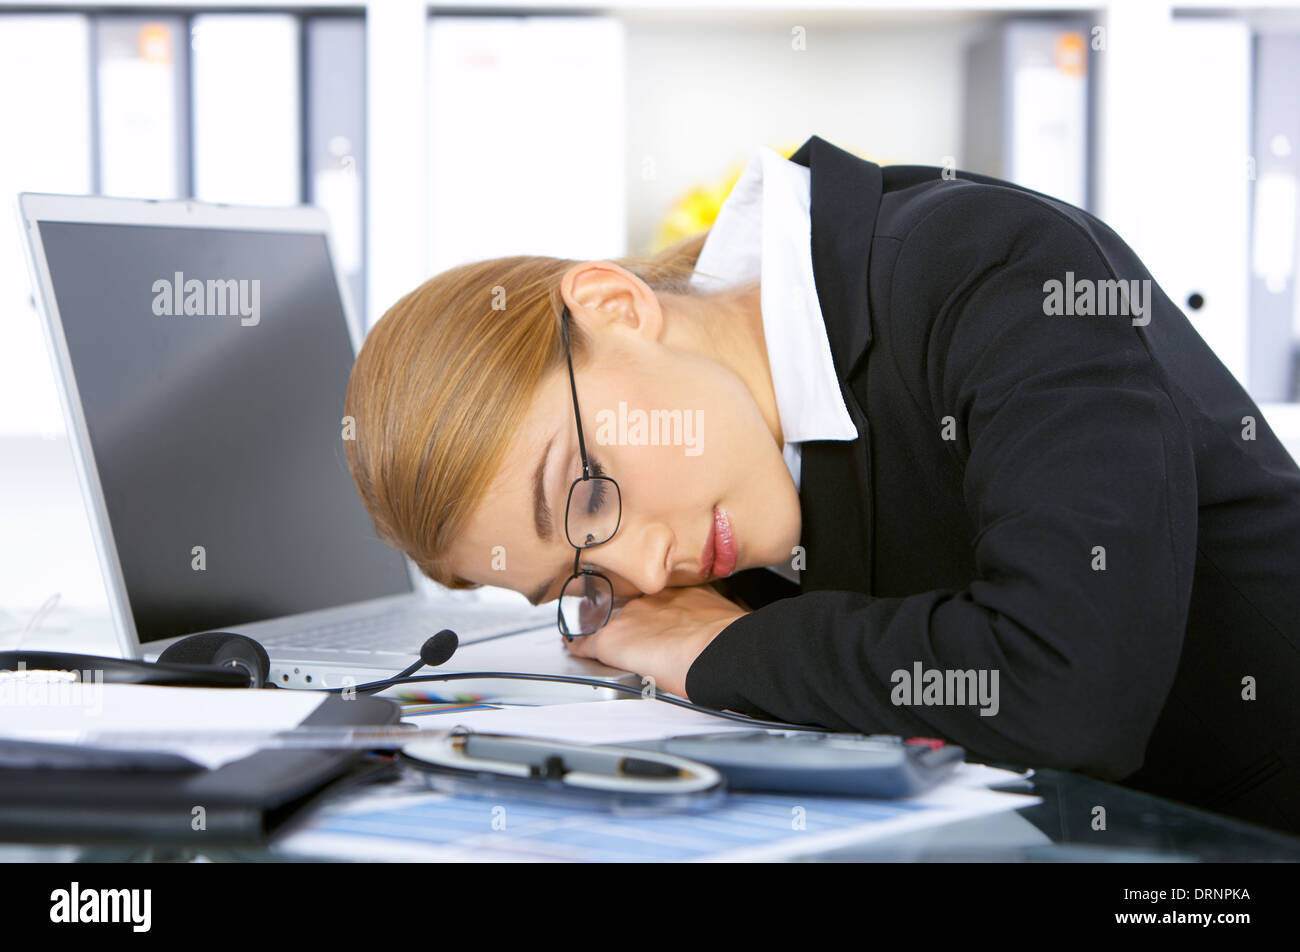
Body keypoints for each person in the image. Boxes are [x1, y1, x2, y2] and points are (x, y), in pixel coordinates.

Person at [343, 134, 1300, 835]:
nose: (649, 564)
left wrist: (727, 648)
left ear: (614, 307)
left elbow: (1068, 684)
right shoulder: (731, 483)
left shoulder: (987, 263)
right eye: (580, 585)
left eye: (590, 496)